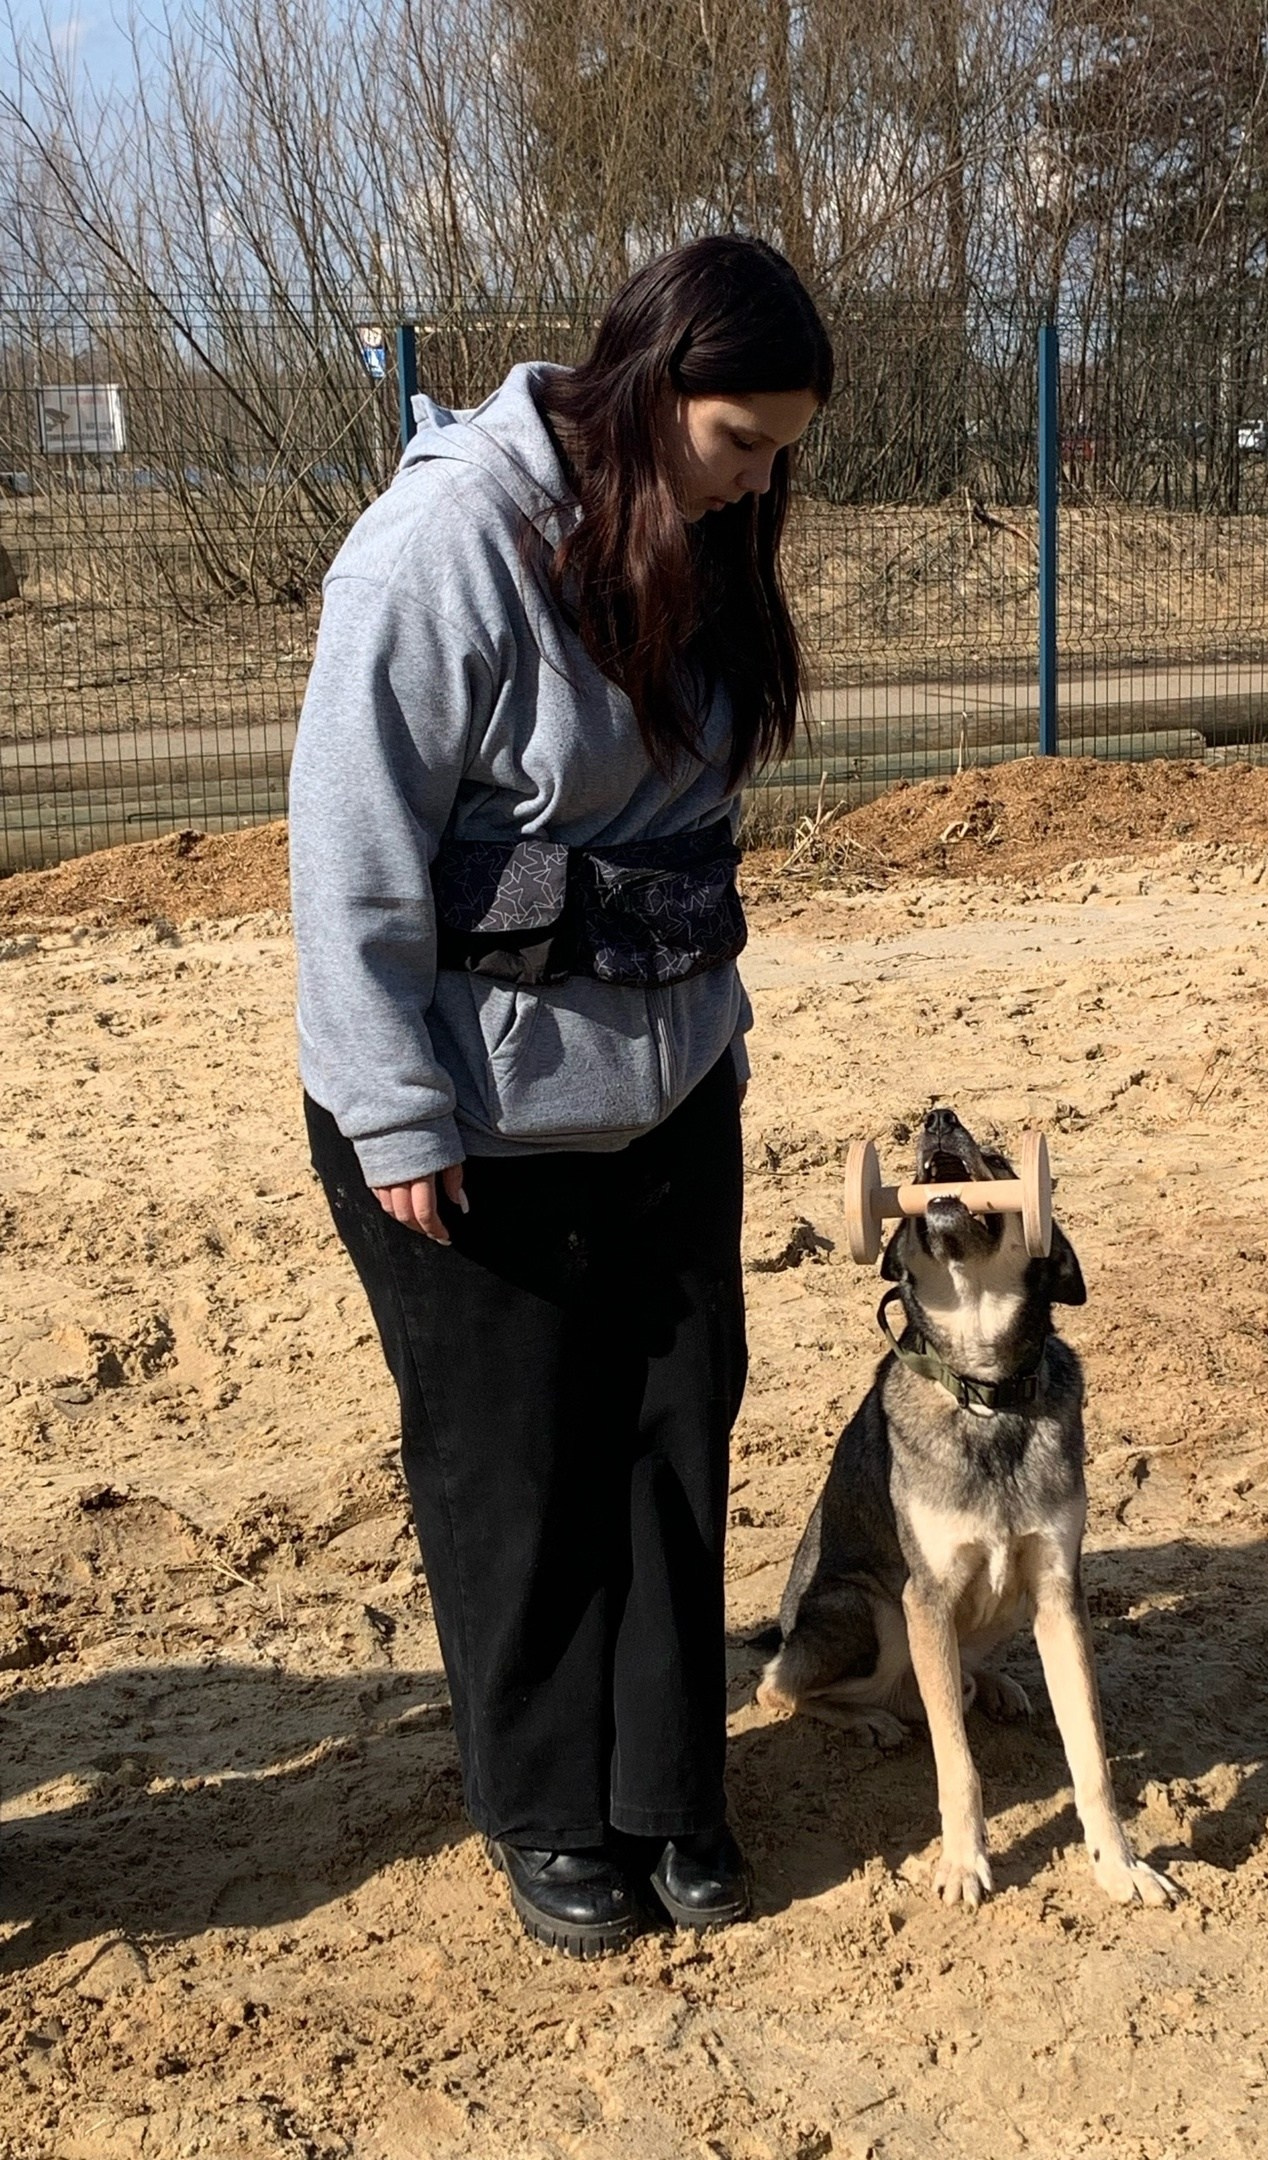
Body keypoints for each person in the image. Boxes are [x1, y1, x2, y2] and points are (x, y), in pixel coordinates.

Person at [289, 236, 833, 1958]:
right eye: (741, 439)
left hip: (667, 1083)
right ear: (658, 380)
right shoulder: (442, 549)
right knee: (521, 1463)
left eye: (781, 452)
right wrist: (394, 1115)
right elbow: (352, 854)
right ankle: (549, 1812)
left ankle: (670, 1790)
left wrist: (706, 1039)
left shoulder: (704, 539)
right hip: (469, 1110)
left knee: (678, 1426)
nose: (761, 480)